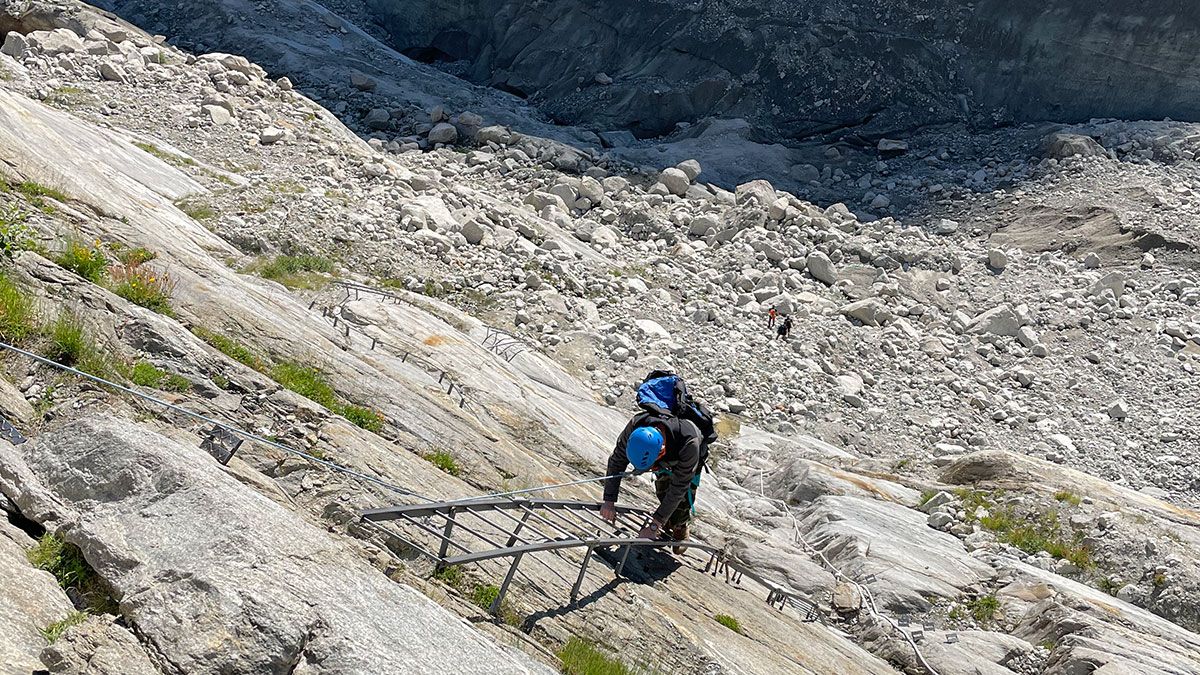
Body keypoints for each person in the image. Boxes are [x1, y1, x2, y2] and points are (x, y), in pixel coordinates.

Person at [600, 411, 702, 551]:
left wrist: (654, 525)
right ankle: (667, 520)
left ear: (661, 452)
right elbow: (617, 460)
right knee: (662, 490)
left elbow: (679, 488)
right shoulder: (636, 425)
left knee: (682, 500)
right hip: (666, 450)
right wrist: (609, 501)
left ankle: (680, 525)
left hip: (687, 456)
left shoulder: (690, 443)